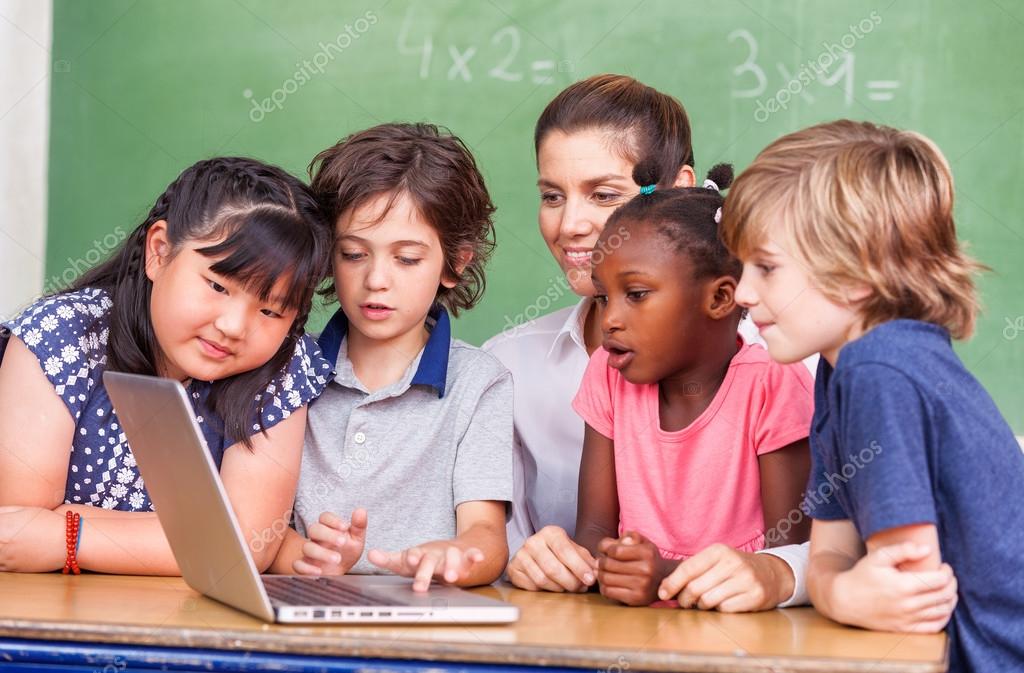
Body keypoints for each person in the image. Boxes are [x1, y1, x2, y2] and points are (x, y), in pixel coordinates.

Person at [485, 74, 817, 611]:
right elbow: (517, 543)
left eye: (604, 194)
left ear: (678, 186)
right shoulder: (506, 367)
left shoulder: (788, 360)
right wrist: (520, 557)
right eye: (551, 195)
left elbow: (801, 555)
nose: (571, 224)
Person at [722, 119, 1016, 669]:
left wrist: (845, 591)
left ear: (859, 272)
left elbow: (908, 592)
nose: (742, 291)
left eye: (766, 267)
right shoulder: (843, 372)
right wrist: (840, 591)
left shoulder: (879, 371)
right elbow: (833, 553)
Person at [0, 157, 333, 575]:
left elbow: (245, 546)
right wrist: (205, 539)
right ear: (159, 251)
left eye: (270, 311)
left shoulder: (282, 366)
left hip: (192, 626)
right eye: (217, 286)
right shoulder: (60, 335)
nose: (233, 327)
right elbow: (16, 528)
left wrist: (68, 535)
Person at [269, 123, 513, 591]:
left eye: (407, 259)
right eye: (354, 254)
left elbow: (486, 539)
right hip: (301, 616)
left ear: (455, 263)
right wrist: (308, 555)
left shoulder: (480, 382)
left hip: (426, 628)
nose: (376, 279)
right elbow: (253, 528)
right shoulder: (286, 368)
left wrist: (456, 555)